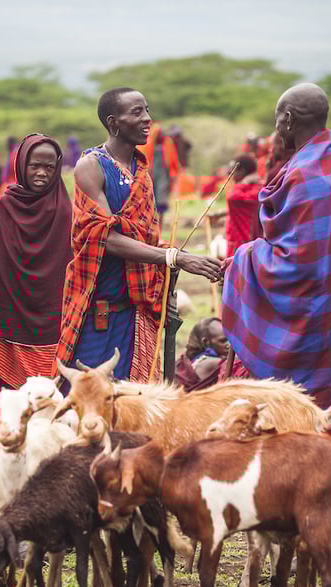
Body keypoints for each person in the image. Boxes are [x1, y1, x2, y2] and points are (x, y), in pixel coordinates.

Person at [223, 83, 331, 440]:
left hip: (316, 308)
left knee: (308, 407)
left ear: (287, 119)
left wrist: (242, 257)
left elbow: (291, 261)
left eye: (276, 118)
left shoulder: (301, 172)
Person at [58, 87, 222, 381]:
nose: (147, 119)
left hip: (136, 311)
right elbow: (102, 237)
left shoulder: (140, 171)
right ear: (113, 123)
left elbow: (146, 238)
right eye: (137, 112)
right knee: (92, 404)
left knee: (136, 405)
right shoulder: (91, 166)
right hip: (100, 312)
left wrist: (177, 260)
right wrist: (174, 257)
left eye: (147, 110)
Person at [0, 134, 72, 389]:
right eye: (34, 166)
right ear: (21, 165)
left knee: (51, 392)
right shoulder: (7, 204)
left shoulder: (64, 208)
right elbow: (1, 267)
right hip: (12, 307)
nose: (41, 173)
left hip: (53, 308)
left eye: (49, 168)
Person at [175, 317, 228, 392]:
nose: (229, 345)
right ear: (206, 342)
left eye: (230, 340)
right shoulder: (213, 363)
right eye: (223, 341)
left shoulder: (189, 360)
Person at [225, 155, 261, 257]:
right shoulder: (255, 187)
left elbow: (233, 198)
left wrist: (244, 183)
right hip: (238, 243)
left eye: (233, 172)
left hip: (244, 245)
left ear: (242, 172)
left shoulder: (256, 189)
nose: (231, 176)